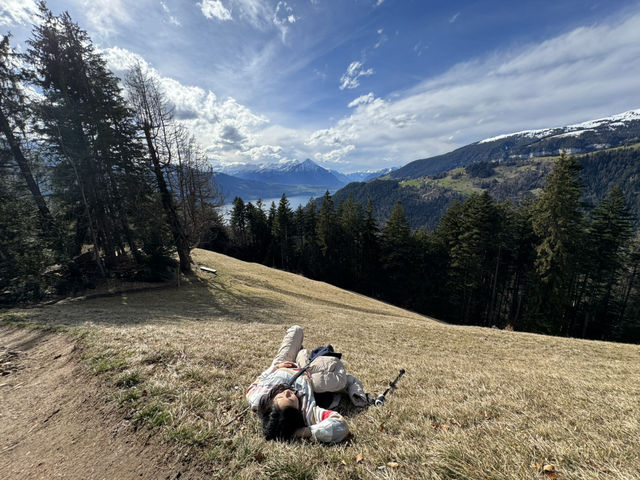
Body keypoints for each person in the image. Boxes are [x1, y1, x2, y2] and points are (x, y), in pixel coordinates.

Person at [245, 325, 367, 443]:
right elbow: (341, 426)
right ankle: (304, 355)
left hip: (283, 364)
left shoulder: (257, 398)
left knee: (296, 330)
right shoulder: (308, 412)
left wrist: (276, 367)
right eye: (291, 399)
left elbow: (255, 384)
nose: (287, 392)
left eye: (280, 396)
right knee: (339, 378)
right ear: (298, 412)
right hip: (308, 374)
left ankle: (299, 353)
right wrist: (300, 432)